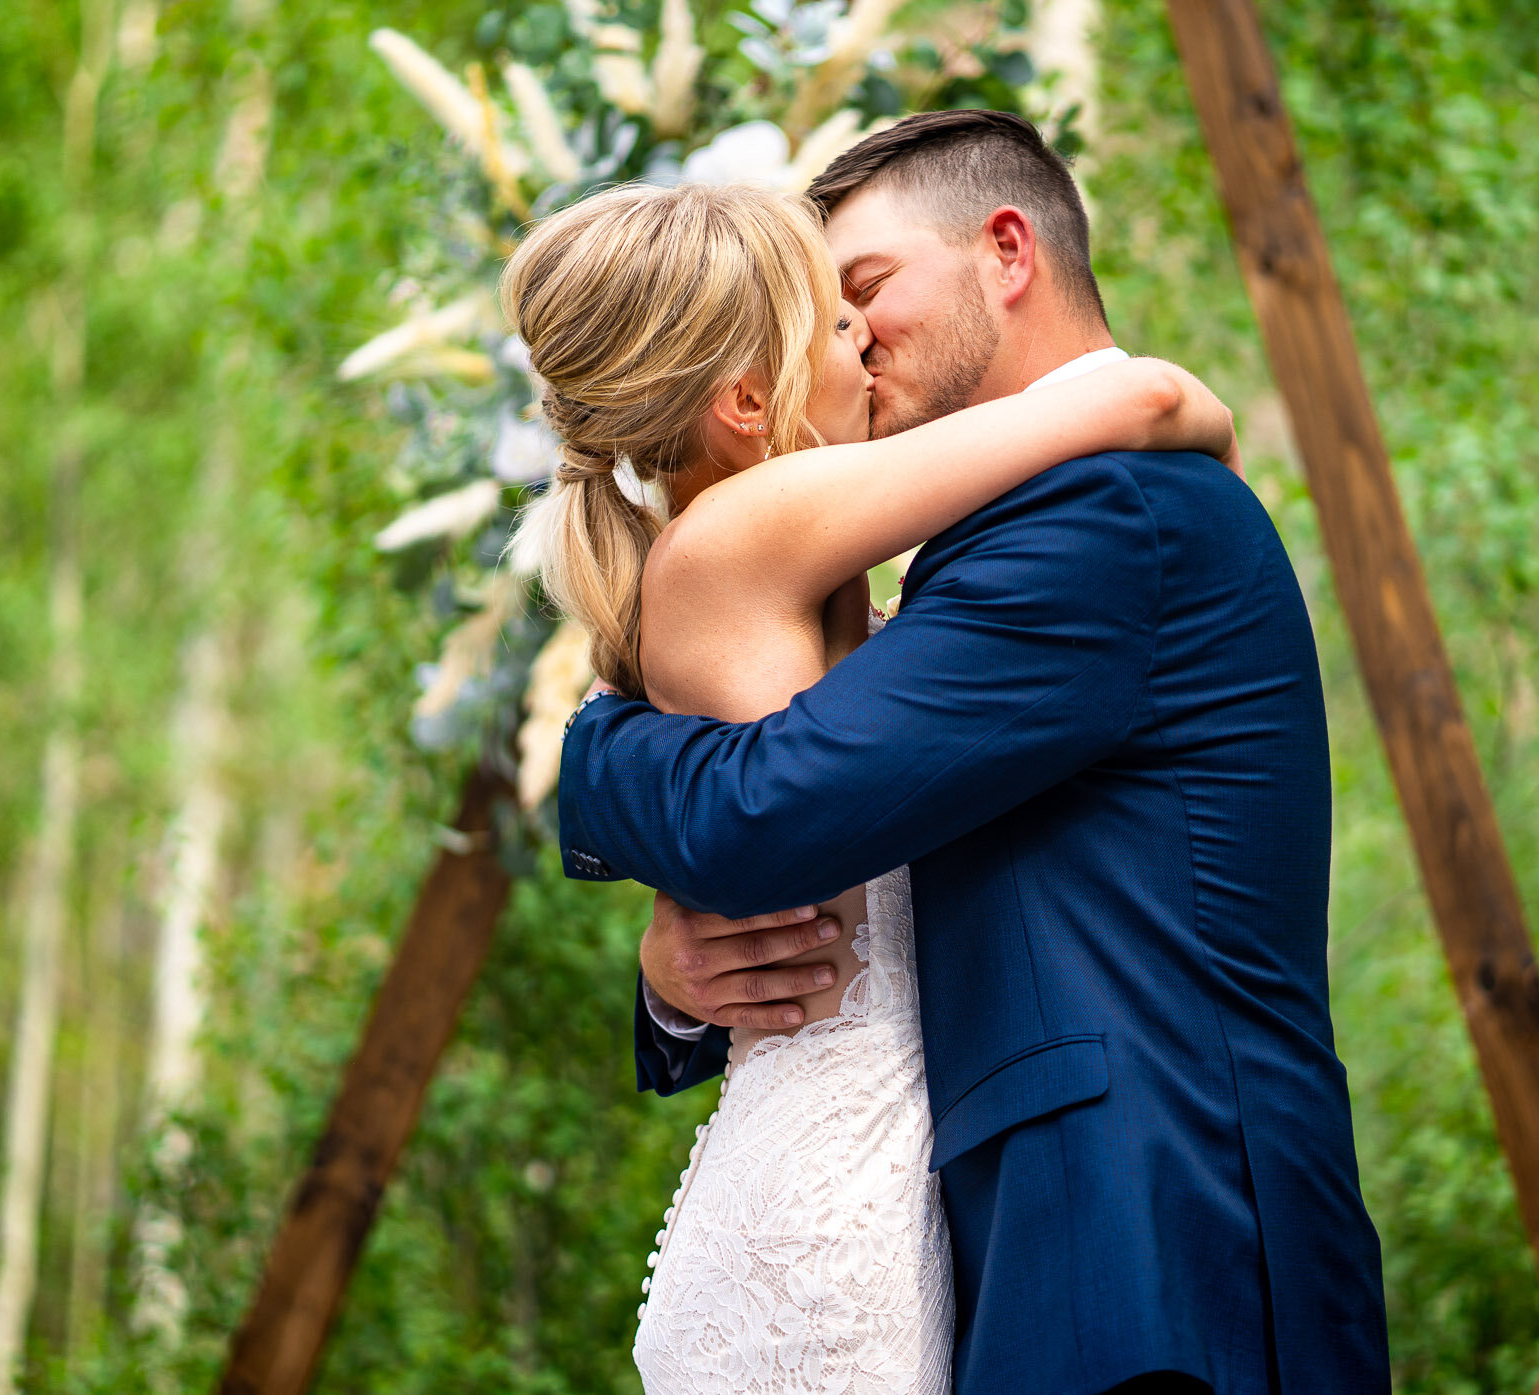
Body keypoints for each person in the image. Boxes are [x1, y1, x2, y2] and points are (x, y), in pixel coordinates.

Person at [555, 111, 1391, 1395]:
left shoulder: (1100, 512)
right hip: (1048, 1246)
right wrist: (678, 974)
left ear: (1007, 251)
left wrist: (593, 762)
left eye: (867, 291)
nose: (853, 339)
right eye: (822, 315)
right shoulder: (990, 533)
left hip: (1156, 1252)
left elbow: (770, 808)